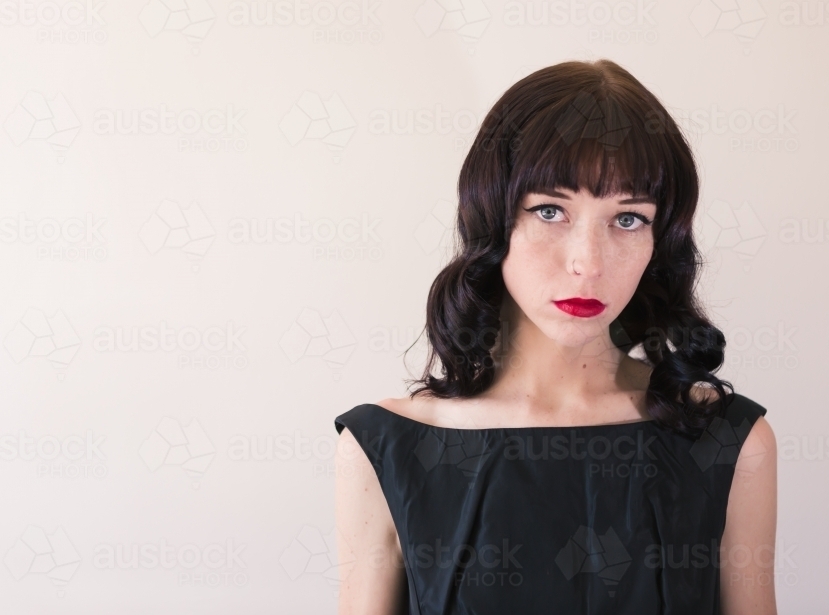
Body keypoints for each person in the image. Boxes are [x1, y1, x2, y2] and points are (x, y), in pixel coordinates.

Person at [333, 59, 778, 614]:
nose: (587, 263)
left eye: (629, 218)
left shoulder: (728, 441)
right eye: (550, 210)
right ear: (492, 220)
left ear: (660, 240)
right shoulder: (387, 450)